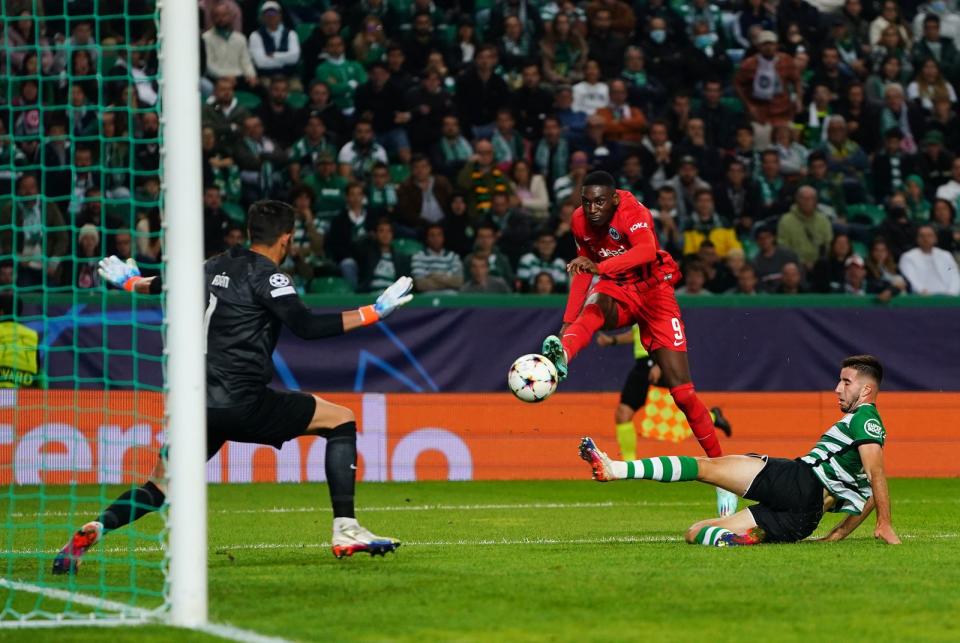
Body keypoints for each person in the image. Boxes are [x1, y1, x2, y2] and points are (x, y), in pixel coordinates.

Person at [53, 201, 415, 574]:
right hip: (244, 405)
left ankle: (97, 527)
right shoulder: (269, 277)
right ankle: (346, 529)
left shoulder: (211, 265)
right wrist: (374, 311)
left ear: (249, 231)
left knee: (159, 488)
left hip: (198, 406)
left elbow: (160, 286)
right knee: (341, 420)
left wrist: (129, 281)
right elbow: (306, 327)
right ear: (287, 238)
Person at [539, 171, 738, 517]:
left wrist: (600, 265)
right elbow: (582, 273)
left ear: (614, 199)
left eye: (600, 201)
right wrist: (567, 324)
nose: (592, 208)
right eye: (586, 202)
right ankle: (564, 354)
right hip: (618, 290)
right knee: (593, 308)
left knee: (683, 393)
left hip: (655, 293)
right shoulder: (579, 222)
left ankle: (723, 477)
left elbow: (646, 251)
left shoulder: (634, 212)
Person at [579, 355, 901, 547]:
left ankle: (616, 469)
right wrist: (837, 536)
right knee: (695, 533)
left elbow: (877, 474)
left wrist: (884, 524)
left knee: (704, 467)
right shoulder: (864, 426)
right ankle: (737, 541)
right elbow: (871, 489)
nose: (837, 388)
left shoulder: (865, 418)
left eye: (846, 382)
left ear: (866, 389)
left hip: (800, 480)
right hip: (804, 520)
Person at [596, 324, 732, 461]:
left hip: (657, 360)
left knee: (674, 418)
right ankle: (628, 466)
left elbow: (666, 331)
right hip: (642, 364)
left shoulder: (655, 305)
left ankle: (712, 417)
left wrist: (659, 363)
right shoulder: (637, 307)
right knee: (623, 413)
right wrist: (613, 341)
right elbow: (637, 333)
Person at [898, 224, 960, 295]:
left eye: (929, 235)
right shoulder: (908, 257)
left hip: (948, 295)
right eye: (922, 236)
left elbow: (954, 275)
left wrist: (952, 293)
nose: (925, 239)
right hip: (922, 297)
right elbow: (911, 278)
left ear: (935, 238)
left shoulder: (945, 255)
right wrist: (922, 291)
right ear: (917, 238)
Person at [411, 224, 464, 294]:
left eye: (439, 235)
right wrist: (446, 278)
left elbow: (458, 282)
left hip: (451, 297)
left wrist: (434, 276)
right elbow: (420, 285)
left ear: (443, 237)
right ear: (427, 238)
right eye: (432, 235)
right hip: (427, 298)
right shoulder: (418, 257)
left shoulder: (453, 256)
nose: (436, 238)